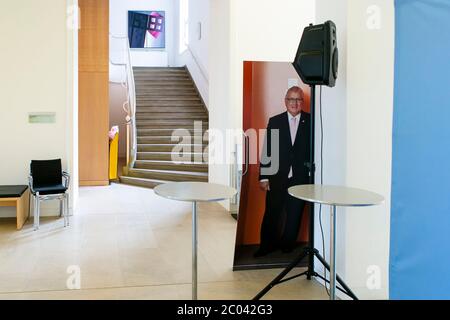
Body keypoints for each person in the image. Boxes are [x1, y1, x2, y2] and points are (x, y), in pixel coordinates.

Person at [254, 86, 310, 257]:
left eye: (298, 99)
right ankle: (266, 246)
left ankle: (287, 246)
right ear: (285, 101)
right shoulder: (275, 121)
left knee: (294, 214)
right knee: (272, 213)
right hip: (277, 177)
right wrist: (264, 176)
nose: (294, 103)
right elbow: (268, 150)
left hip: (301, 178)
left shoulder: (311, 121)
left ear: (302, 101)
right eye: (291, 99)